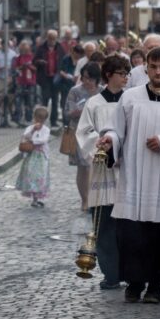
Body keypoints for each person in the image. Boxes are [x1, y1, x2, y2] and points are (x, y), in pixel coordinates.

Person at [97, 47, 160, 305]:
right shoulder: (130, 98)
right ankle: (134, 281)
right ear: (146, 68)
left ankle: (155, 285)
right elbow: (117, 131)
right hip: (135, 176)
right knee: (132, 235)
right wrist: (110, 140)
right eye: (153, 67)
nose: (158, 72)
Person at [75, 55, 131, 290]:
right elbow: (84, 132)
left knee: (126, 225)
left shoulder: (131, 101)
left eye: (127, 73)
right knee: (104, 224)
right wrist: (100, 145)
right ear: (109, 75)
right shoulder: (94, 103)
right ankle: (111, 273)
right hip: (102, 171)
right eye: (122, 73)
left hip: (127, 170)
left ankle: (129, 270)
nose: (126, 78)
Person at [64, 63, 101, 210]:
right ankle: (85, 199)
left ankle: (95, 197)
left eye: (90, 79)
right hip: (79, 131)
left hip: (97, 132)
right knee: (83, 167)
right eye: (84, 78)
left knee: (95, 165)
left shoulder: (102, 91)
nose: (86, 81)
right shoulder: (75, 91)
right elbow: (68, 111)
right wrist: (84, 110)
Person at [15, 105, 51, 207]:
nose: (39, 121)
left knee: (40, 176)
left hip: (41, 156)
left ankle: (37, 198)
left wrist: (33, 141)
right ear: (34, 117)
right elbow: (25, 137)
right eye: (38, 118)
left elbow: (44, 140)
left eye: (42, 119)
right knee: (31, 175)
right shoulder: (30, 128)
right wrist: (33, 130)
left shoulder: (46, 129)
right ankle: (34, 198)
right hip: (31, 155)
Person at [34, 29, 67, 127]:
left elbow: (64, 61)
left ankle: (53, 121)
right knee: (45, 99)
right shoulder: (41, 48)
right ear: (47, 38)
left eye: (54, 38)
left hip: (56, 78)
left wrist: (61, 72)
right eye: (50, 38)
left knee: (55, 100)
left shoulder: (60, 48)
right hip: (45, 77)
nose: (52, 40)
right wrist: (40, 62)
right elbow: (34, 60)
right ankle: (41, 121)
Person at [12, 40, 37, 126]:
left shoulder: (33, 57)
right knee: (19, 101)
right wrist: (22, 67)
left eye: (25, 49)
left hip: (31, 82)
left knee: (30, 101)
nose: (24, 51)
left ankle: (28, 118)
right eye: (22, 49)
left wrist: (29, 66)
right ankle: (19, 118)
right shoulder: (18, 58)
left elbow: (36, 69)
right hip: (21, 82)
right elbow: (16, 68)